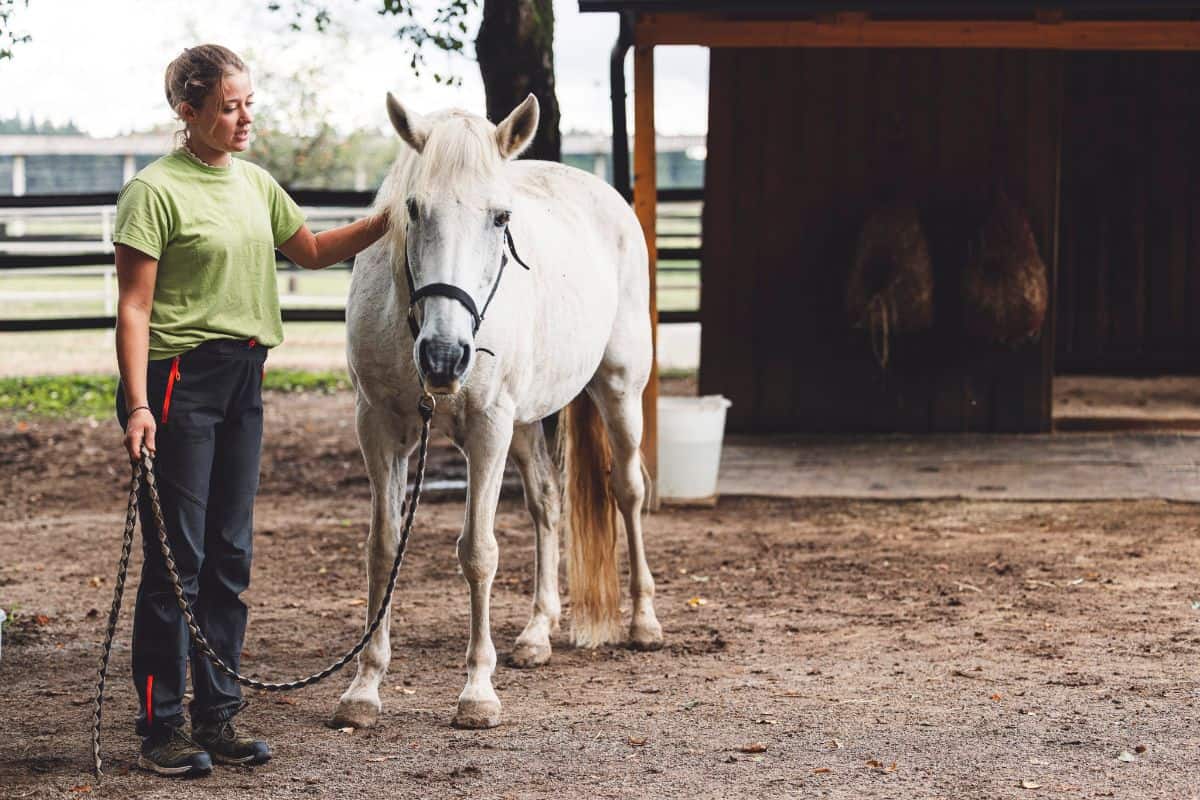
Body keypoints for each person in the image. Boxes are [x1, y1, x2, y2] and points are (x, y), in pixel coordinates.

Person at [113, 44, 389, 777]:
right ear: (188, 111)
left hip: (243, 378)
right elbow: (134, 308)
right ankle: (161, 727)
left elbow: (315, 249)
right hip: (176, 381)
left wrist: (392, 217)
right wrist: (139, 404)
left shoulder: (257, 185)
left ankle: (219, 714)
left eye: (248, 105)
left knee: (230, 555)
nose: (244, 120)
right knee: (181, 560)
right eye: (229, 107)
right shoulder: (153, 192)